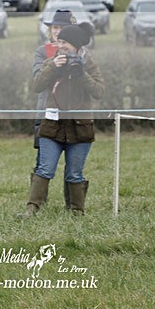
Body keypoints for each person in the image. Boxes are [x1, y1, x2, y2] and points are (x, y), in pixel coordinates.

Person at [23, 22, 104, 217]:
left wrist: (81, 73)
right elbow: (36, 86)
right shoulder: (52, 61)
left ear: (76, 44)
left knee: (74, 172)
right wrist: (52, 67)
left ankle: (76, 211)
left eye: (64, 42)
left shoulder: (89, 63)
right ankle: (32, 209)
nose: (61, 45)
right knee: (45, 168)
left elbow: (99, 92)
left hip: (80, 126)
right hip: (52, 126)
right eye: (59, 41)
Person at [31, 9, 75, 211]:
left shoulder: (80, 51)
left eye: (62, 28)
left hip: (73, 113)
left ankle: (73, 206)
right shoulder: (43, 51)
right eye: (55, 27)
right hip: (46, 112)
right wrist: (53, 64)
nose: (57, 32)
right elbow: (36, 81)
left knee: (73, 162)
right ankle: (37, 204)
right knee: (43, 161)